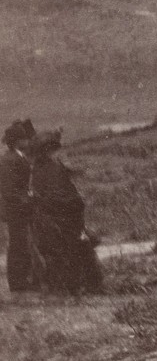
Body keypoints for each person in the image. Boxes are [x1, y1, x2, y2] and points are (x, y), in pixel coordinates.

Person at [28, 130, 96, 294]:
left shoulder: (48, 167)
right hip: (59, 214)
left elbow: (59, 189)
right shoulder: (47, 168)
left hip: (62, 213)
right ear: (45, 150)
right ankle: (71, 285)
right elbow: (53, 192)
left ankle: (67, 285)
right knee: (66, 249)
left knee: (64, 250)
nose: (52, 152)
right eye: (49, 149)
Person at [2, 119, 38, 292]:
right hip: (15, 209)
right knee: (18, 244)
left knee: (21, 243)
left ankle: (21, 280)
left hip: (18, 208)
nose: (27, 141)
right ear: (17, 141)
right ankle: (18, 283)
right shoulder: (10, 160)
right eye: (24, 138)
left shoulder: (15, 157)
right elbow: (9, 190)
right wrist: (28, 198)